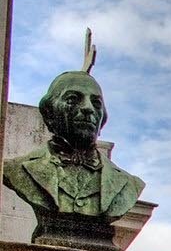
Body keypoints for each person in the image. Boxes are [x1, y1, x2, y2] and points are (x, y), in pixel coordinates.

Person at [3, 70, 144, 221]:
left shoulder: (129, 183)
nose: (88, 108)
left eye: (96, 103)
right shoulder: (17, 169)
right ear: (49, 113)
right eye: (72, 99)